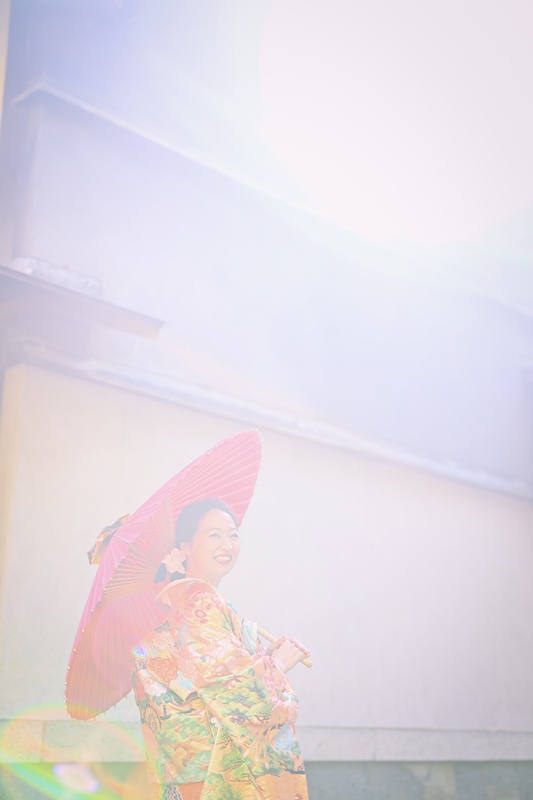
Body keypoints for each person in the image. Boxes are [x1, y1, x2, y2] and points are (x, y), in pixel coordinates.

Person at [132, 497, 310, 800]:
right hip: (212, 775)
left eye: (233, 535)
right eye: (214, 535)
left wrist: (264, 657)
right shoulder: (200, 603)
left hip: (189, 774)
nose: (227, 545)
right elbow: (232, 691)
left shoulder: (194, 602)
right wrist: (277, 666)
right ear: (186, 547)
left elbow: (211, 675)